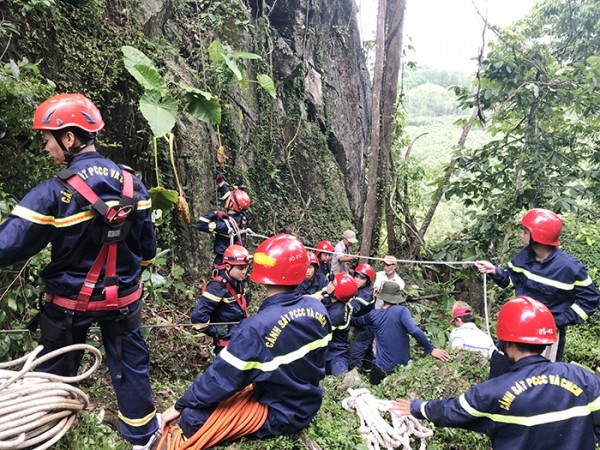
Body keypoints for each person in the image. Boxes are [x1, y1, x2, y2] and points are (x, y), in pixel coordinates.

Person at [0, 94, 160, 449]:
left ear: (69, 138)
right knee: (131, 367)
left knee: (54, 375)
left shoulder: (53, 193)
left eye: (48, 139)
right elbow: (147, 254)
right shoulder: (134, 186)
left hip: (68, 305)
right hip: (124, 302)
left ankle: (44, 434)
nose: (46, 148)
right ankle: (143, 438)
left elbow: (8, 246)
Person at [161, 234, 332, 444]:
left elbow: (219, 379)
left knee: (192, 418)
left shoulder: (257, 327)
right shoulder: (319, 309)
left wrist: (179, 406)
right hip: (307, 403)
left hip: (279, 412)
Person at [392, 297, 600, 450]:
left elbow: (452, 410)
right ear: (546, 341)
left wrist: (417, 407)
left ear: (505, 341)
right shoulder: (584, 378)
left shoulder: (493, 392)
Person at [475, 208, 599, 363]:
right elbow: (510, 281)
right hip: (518, 325)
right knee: (502, 366)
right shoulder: (522, 257)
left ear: (538, 236)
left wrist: (558, 321)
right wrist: (494, 271)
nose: (521, 235)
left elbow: (591, 300)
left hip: (546, 334)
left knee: (540, 379)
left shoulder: (569, 268)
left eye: (525, 232)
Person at [351, 282, 450, 385]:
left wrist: (347, 308)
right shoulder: (402, 311)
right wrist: (430, 349)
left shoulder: (373, 315)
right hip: (403, 369)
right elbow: (414, 330)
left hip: (381, 370)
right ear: (397, 297)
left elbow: (356, 321)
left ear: (382, 297)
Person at [191, 244, 251, 354]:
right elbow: (198, 318)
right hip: (227, 344)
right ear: (228, 267)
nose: (244, 272)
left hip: (241, 336)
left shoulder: (239, 282)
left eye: (246, 267)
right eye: (240, 268)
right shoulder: (217, 287)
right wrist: (214, 330)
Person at [194, 181, 251, 274]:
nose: (227, 199)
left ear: (231, 205)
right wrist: (221, 183)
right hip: (236, 264)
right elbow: (233, 199)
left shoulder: (224, 226)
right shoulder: (241, 217)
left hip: (224, 265)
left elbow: (199, 225)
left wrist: (215, 213)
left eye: (229, 199)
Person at [324, 273, 358, 376]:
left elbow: (317, 331)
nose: (329, 283)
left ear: (337, 293)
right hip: (328, 352)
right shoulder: (333, 301)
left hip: (336, 354)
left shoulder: (337, 313)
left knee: (341, 381)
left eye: (333, 283)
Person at [349, 263, 376, 373]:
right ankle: (371, 371)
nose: (358, 280)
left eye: (362, 278)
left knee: (355, 356)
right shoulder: (358, 290)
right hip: (361, 325)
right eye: (356, 276)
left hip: (366, 328)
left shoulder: (367, 293)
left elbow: (353, 307)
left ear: (368, 280)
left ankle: (355, 378)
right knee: (367, 354)